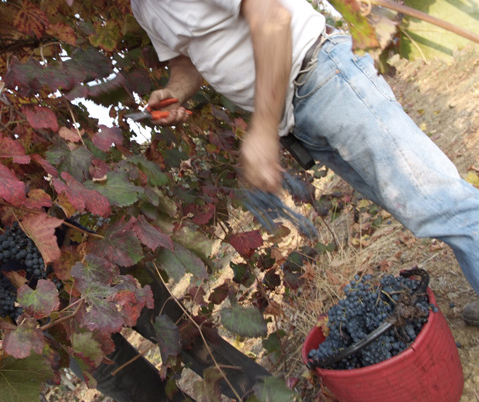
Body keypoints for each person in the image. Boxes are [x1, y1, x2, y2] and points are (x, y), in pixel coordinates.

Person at [130, 0, 479, 325]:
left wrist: (264, 129)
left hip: (325, 78)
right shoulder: (141, 6)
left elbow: (272, 18)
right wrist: (174, 91)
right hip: (298, 115)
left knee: (438, 203)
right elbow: (186, 62)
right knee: (421, 207)